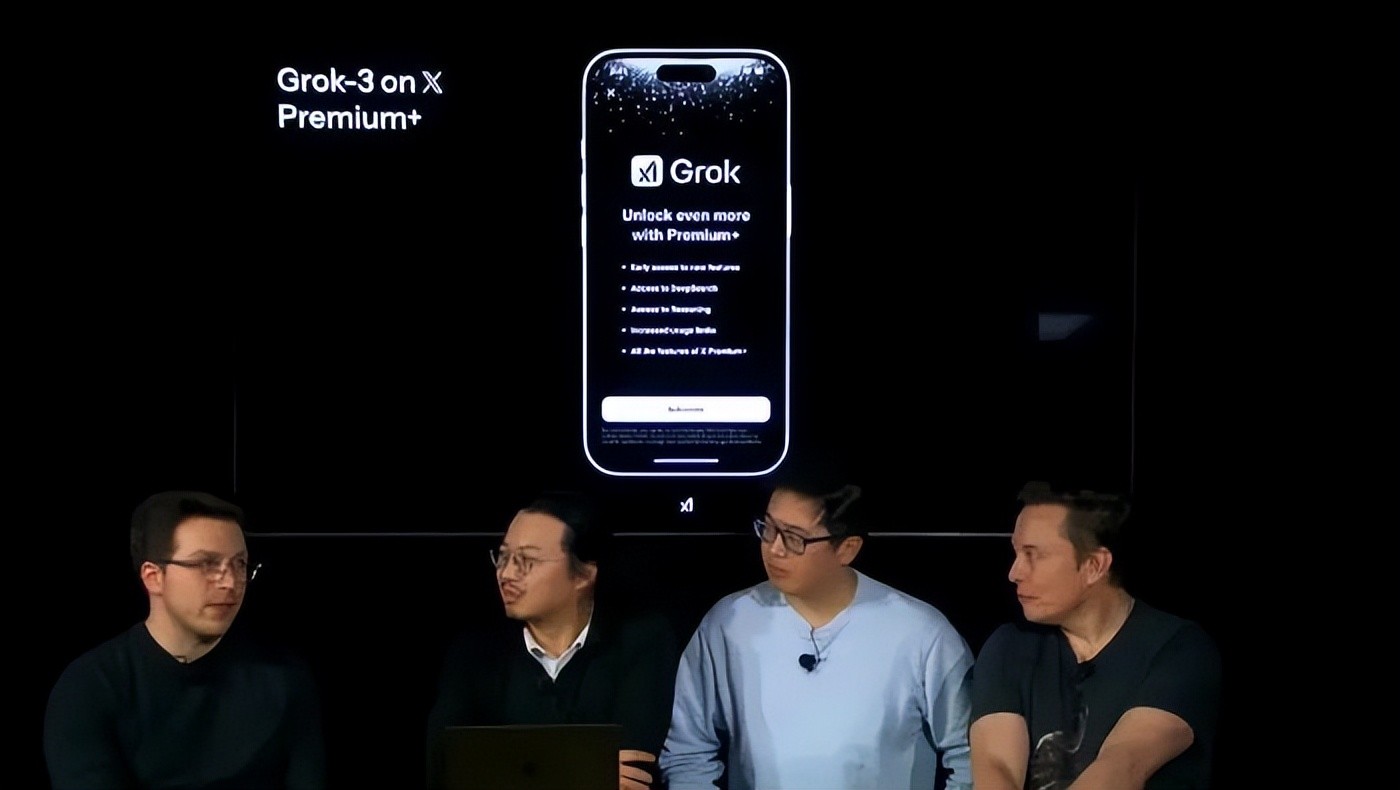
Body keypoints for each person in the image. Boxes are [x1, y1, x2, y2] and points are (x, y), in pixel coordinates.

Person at [660, 472, 976, 790]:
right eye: (768, 529)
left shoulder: (921, 634)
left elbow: (970, 760)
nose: (774, 549)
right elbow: (688, 754)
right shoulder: (728, 623)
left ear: (847, 549)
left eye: (794, 538)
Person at [43, 489, 327, 790]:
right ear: (153, 577)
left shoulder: (284, 678)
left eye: (240, 564)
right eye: (207, 564)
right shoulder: (90, 687)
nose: (230, 582)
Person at [970, 481, 1223, 789]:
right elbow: (995, 769)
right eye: (1016, 552)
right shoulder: (1009, 646)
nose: (1014, 572)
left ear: (1094, 565)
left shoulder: (1179, 649)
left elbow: (1122, 766)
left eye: (1033, 554)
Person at [425, 490, 680, 790]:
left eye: (527, 560)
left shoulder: (641, 640)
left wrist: (511, 767)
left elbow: (633, 774)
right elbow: (446, 767)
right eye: (503, 557)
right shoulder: (474, 653)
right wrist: (585, 771)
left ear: (584, 574)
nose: (506, 574)